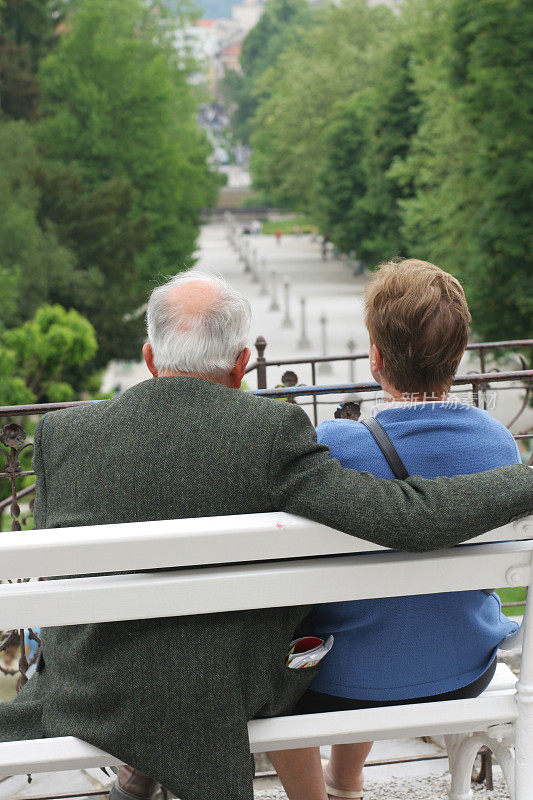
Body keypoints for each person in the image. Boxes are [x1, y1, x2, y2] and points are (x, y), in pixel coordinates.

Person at [0, 270, 531, 800]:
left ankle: (139, 773)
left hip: (89, 691)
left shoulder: (61, 434)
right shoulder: (271, 434)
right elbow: (408, 517)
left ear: (149, 358)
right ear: (241, 365)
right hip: (221, 694)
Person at [269, 259, 523, 800]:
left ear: (376, 357)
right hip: (463, 670)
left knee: (285, 674)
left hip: (346, 685)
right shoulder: (498, 445)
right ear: (458, 356)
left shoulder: (338, 448)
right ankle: (346, 778)